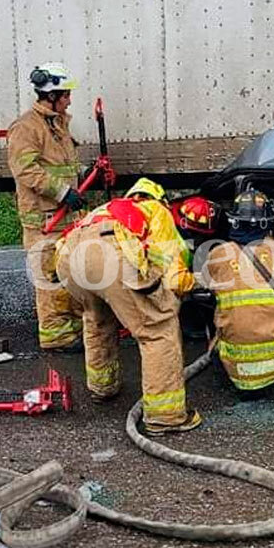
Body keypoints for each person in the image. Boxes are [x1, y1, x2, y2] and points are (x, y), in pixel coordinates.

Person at [55, 178, 202, 436]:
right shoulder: (156, 211)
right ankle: (165, 417)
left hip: (68, 256)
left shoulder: (106, 208)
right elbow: (175, 277)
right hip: (109, 252)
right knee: (158, 328)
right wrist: (196, 283)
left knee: (97, 318)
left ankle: (102, 388)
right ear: (160, 200)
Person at [201, 188, 274, 392]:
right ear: (269, 223)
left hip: (238, 367)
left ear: (233, 221)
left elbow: (205, 286)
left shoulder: (218, 255)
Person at [7, 62, 85, 351]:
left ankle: (73, 331)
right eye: (65, 94)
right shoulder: (26, 127)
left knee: (68, 275)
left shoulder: (58, 124)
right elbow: (25, 170)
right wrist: (63, 192)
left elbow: (59, 164)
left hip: (64, 217)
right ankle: (56, 337)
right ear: (50, 95)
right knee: (49, 280)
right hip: (44, 220)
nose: (69, 99)